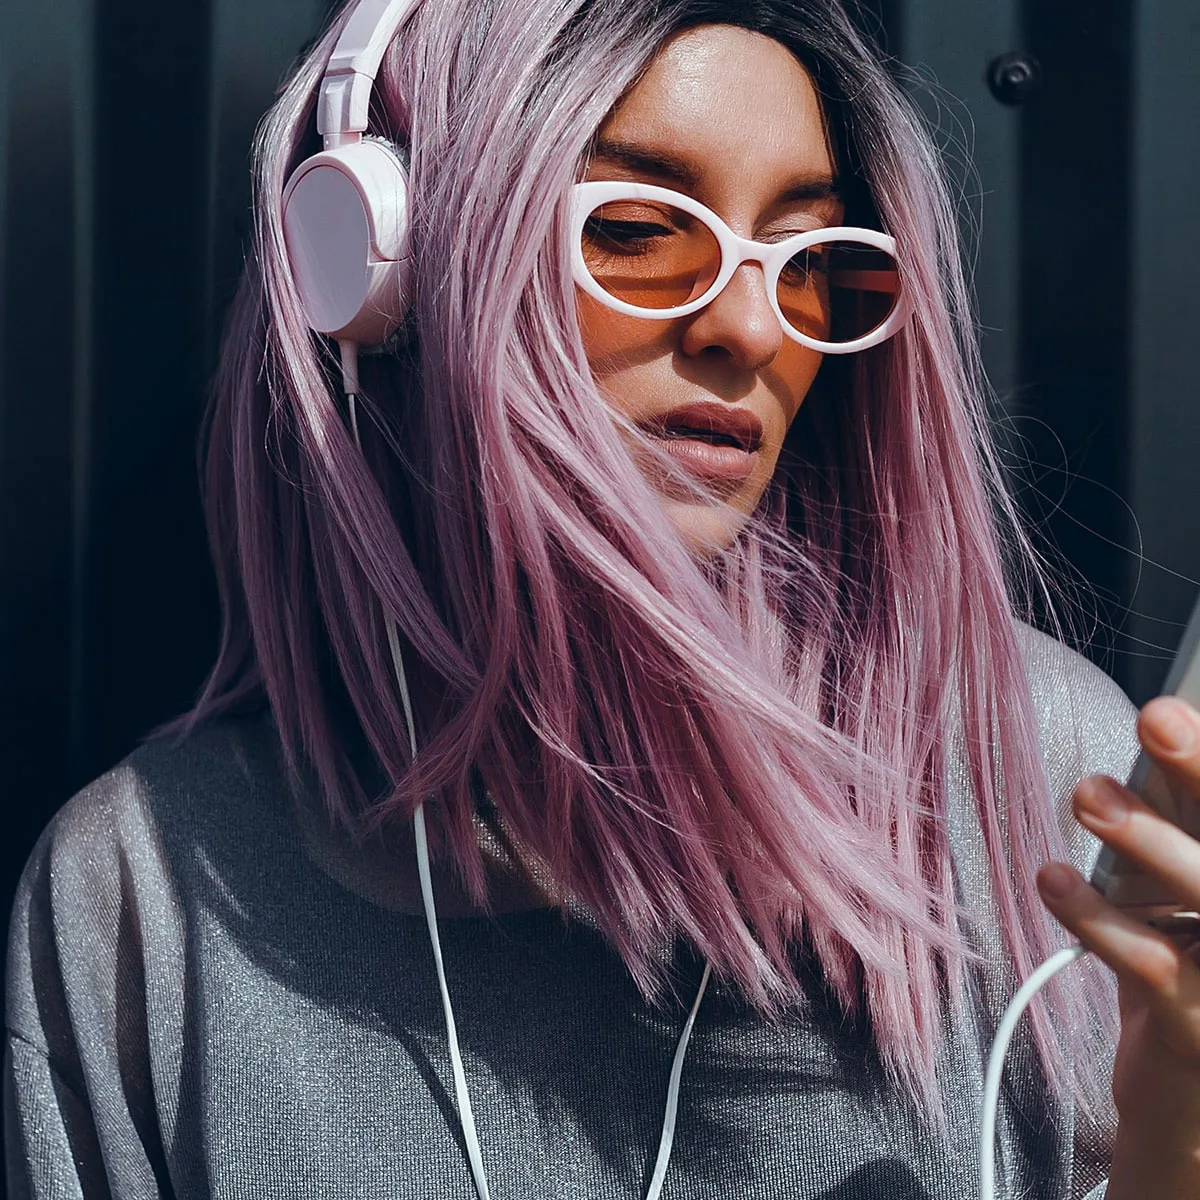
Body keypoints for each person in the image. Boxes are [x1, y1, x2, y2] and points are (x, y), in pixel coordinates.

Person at [6, 0, 1200, 1196]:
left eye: (810, 257)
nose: (749, 324)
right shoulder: (144, 906)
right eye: (637, 228)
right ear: (384, 270)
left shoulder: (1040, 786)